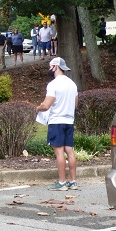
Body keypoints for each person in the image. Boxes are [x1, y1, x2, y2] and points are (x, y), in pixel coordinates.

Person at [36, 57, 79, 191]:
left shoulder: (53, 84)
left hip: (56, 121)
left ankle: (61, 182)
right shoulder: (72, 84)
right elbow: (76, 104)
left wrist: (37, 108)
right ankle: (72, 181)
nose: (49, 69)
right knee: (69, 151)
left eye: (50, 67)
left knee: (59, 152)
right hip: (69, 121)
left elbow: (47, 105)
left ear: (55, 67)